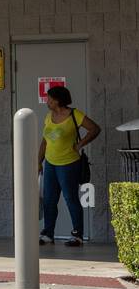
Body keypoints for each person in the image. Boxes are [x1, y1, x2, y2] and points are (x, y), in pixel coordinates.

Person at [38, 86, 99, 247]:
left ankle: (77, 235)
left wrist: (79, 145)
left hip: (68, 164)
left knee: (70, 199)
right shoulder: (49, 116)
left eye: (50, 98)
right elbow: (45, 141)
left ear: (58, 100)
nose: (47, 101)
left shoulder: (74, 114)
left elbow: (94, 129)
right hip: (50, 163)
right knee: (49, 200)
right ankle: (48, 234)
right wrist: (39, 161)